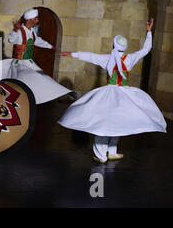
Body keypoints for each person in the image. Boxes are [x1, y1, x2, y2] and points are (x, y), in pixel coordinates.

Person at [58, 18, 167, 163]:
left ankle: (105, 153)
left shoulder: (109, 58)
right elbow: (145, 50)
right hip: (123, 92)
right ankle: (109, 152)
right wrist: (149, 32)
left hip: (111, 93)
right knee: (116, 121)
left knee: (106, 122)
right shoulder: (129, 59)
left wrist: (72, 54)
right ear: (124, 48)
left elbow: (90, 56)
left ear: (113, 45)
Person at [0, 8, 72, 104]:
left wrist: (50, 46)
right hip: (19, 63)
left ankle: (62, 92)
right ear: (30, 19)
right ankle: (12, 102)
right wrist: (15, 30)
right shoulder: (20, 31)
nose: (37, 20)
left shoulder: (31, 31)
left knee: (41, 76)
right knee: (18, 83)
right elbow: (11, 40)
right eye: (36, 18)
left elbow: (37, 41)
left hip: (28, 62)